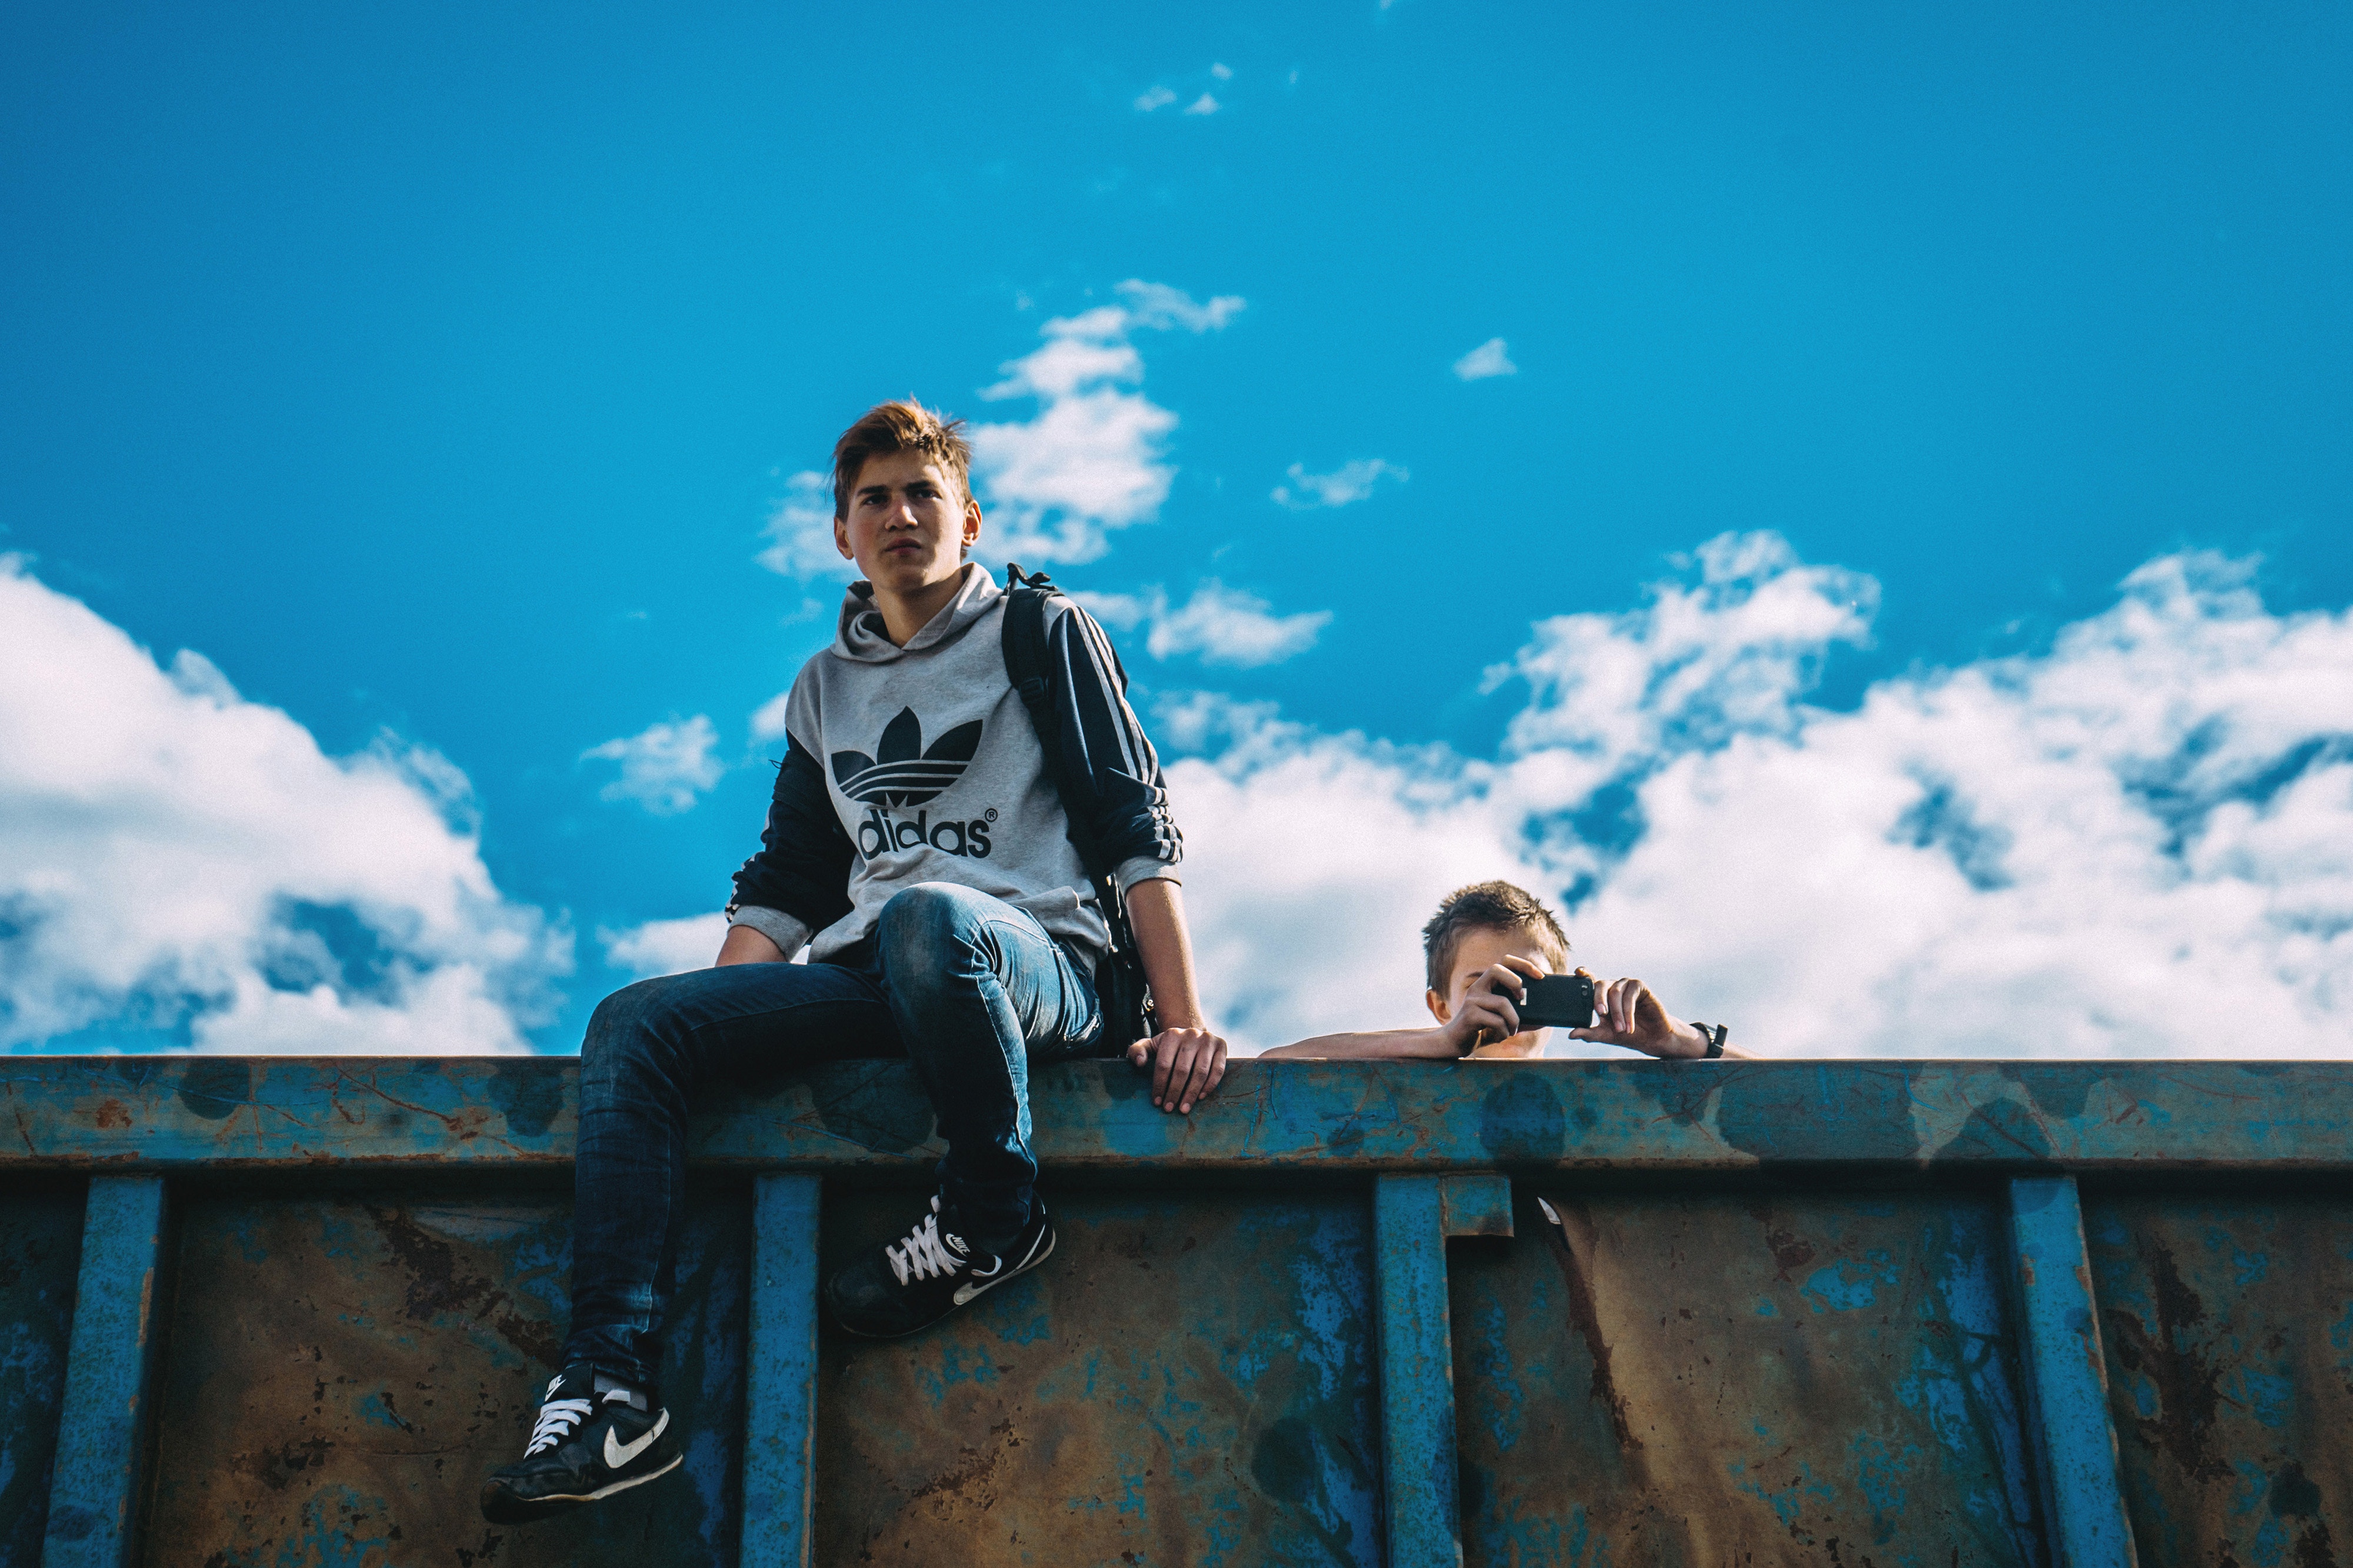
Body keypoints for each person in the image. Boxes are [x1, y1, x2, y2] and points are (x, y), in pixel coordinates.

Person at [481, 400, 1228, 1525]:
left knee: (935, 918)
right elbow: (786, 882)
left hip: (1035, 969)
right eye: (873, 498)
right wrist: (715, 1008)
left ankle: (993, 1212)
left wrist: (1181, 1015)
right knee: (638, 1022)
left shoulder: (1041, 630)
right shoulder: (824, 688)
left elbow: (1134, 823)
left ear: (968, 519)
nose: (899, 515)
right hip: (885, 971)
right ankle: (609, 1389)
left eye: (923, 494)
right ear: (842, 533)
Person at [1259, 880, 1751, 1061]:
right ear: (1441, 1005)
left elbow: (1802, 1102)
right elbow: (1277, 1063)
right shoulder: (1416, 1057)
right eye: (1485, 986)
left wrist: (1675, 1042)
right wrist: (1444, 1044)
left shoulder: (1604, 1092)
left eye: (1529, 984)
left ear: (1568, 991)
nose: (1506, 1001)